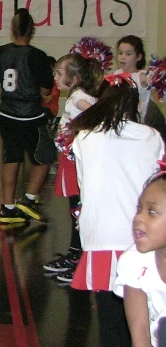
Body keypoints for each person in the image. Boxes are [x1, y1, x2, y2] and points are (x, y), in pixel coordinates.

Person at [68, 74, 164, 346]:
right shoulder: (151, 136)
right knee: (144, 321)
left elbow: (84, 186)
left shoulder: (84, 137)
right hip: (142, 237)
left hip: (101, 238)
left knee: (110, 324)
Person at [0, 8, 56, 226]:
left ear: (12, 29)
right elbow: (45, 91)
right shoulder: (37, 56)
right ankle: (30, 198)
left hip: (5, 113)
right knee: (45, 156)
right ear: (32, 30)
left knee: (11, 158)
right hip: (29, 116)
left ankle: (8, 208)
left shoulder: (2, 52)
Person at [43, 53, 98, 283]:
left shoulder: (78, 99)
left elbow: (97, 116)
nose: (55, 77)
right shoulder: (77, 95)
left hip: (79, 164)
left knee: (78, 209)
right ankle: (76, 254)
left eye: (59, 73)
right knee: (75, 209)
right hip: (73, 162)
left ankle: (80, 259)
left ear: (73, 77)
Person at [114, 165, 166, 347]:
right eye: (139, 209)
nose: (139, 218)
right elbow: (140, 335)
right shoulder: (133, 261)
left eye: (152, 211)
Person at [113, 35, 166, 143]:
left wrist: (158, 77)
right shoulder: (116, 73)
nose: (122, 57)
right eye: (120, 53)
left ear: (138, 57)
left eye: (128, 54)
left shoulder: (141, 76)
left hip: (139, 125)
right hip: (120, 122)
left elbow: (152, 80)